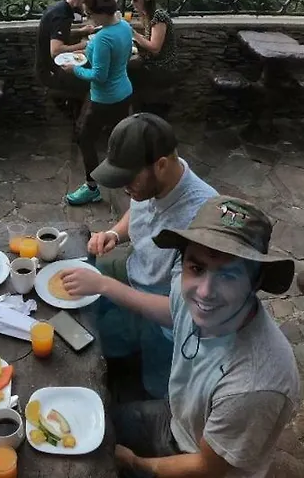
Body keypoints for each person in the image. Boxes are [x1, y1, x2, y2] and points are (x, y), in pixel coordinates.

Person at [61, 197, 300, 478]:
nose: (204, 292)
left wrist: (136, 463)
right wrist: (103, 285)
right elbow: (174, 311)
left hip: (203, 465)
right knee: (90, 429)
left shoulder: (253, 385)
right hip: (178, 421)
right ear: (184, 263)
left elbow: (208, 468)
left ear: (256, 282)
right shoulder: (194, 298)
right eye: (196, 268)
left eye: (229, 275)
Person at [85, 113, 217, 399]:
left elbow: (180, 313)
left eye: (128, 179)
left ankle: (153, 404)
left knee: (88, 340)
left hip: (164, 322)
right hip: (136, 268)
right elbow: (137, 209)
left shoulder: (200, 225)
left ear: (160, 165)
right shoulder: (151, 185)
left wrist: (105, 287)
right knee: (77, 279)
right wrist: (115, 234)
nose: (124, 188)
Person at [62, 0, 134, 206]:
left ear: (100, 12)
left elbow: (99, 75)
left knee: (84, 137)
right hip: (125, 91)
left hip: (104, 98)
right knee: (120, 139)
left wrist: (75, 69)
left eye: (90, 14)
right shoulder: (123, 26)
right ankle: (131, 180)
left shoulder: (104, 38)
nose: (88, 18)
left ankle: (92, 187)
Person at [35, 0, 95, 103]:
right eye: (85, 2)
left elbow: (55, 36)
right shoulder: (62, 16)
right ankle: (84, 119)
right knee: (95, 83)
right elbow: (56, 51)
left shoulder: (59, 8)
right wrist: (86, 44)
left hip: (44, 68)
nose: (86, 6)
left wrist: (80, 31)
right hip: (51, 73)